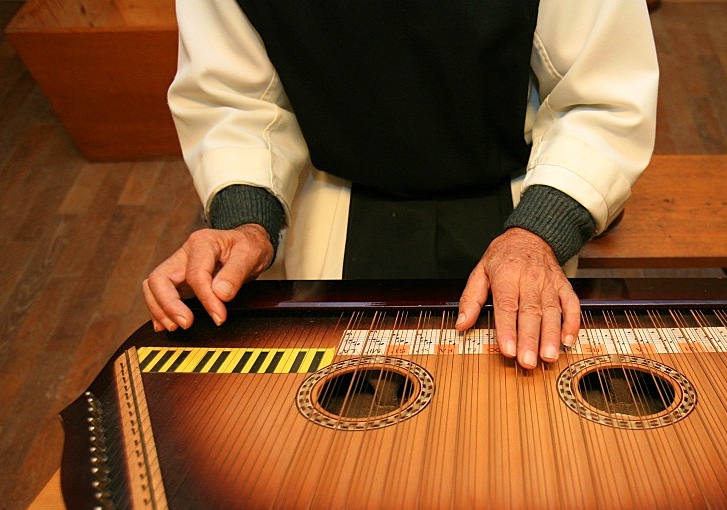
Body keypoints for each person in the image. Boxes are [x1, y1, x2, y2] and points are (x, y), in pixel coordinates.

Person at [142, 0, 658, 370]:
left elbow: (599, 97)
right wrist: (246, 221)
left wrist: (540, 231)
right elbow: (236, 97)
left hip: (520, 187)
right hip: (341, 194)